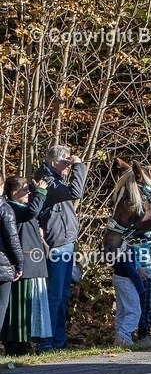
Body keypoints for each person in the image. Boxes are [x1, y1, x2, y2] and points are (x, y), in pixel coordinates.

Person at [35, 145, 88, 351]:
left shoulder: (56, 180)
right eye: (65, 161)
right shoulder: (46, 181)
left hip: (66, 243)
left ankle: (58, 340)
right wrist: (78, 166)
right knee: (54, 296)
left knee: (63, 296)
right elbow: (76, 192)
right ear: (54, 161)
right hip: (55, 245)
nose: (68, 164)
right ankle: (46, 342)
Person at [2, 177, 50, 355]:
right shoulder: (11, 208)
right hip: (23, 265)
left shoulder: (21, 208)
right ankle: (15, 344)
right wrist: (41, 192)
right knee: (18, 307)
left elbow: (35, 211)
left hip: (33, 264)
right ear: (14, 192)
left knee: (29, 306)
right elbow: (32, 212)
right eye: (25, 189)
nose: (29, 192)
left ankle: (26, 342)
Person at [0, 193, 24, 354]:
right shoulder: (4, 209)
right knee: (1, 305)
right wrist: (20, 263)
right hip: (2, 264)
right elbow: (12, 239)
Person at [111, 241, 145, 346]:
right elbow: (128, 266)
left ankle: (119, 336)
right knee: (134, 310)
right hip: (126, 280)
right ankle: (123, 335)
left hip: (118, 277)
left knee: (122, 310)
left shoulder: (118, 243)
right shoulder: (124, 244)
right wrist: (140, 286)